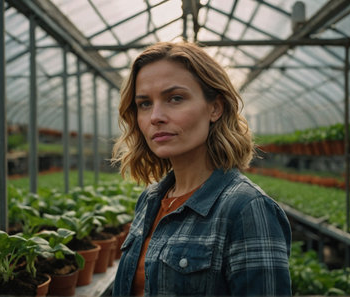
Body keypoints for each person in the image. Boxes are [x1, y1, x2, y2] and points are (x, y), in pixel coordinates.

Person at [111, 41, 291, 296]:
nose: (155, 117)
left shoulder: (246, 209)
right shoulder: (151, 199)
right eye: (144, 104)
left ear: (215, 108)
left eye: (175, 98)